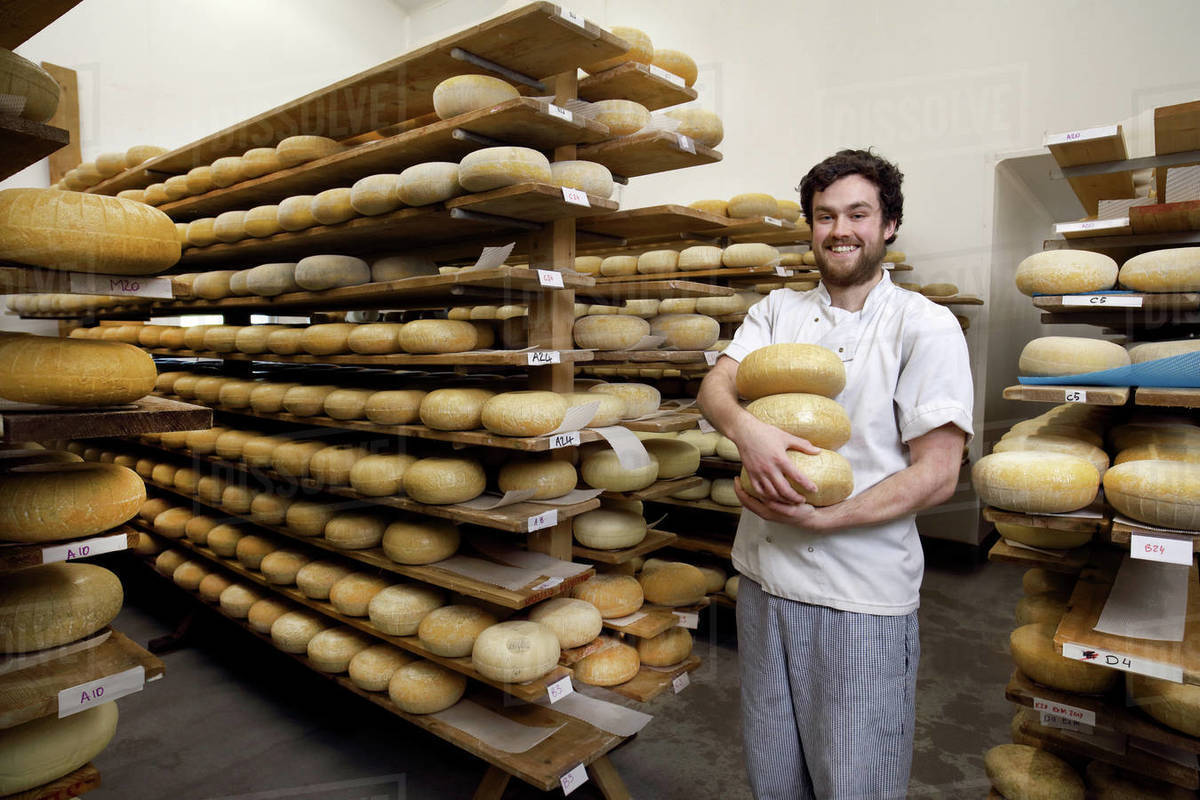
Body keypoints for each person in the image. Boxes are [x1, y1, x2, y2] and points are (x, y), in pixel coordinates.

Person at [697, 149, 973, 800]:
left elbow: (937, 475)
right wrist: (747, 430)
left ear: (889, 225)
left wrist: (827, 516)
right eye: (825, 216)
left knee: (854, 783)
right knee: (774, 779)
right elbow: (715, 388)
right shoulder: (774, 313)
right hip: (764, 582)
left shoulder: (924, 325)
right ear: (811, 227)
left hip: (860, 595)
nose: (840, 229)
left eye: (857, 213)